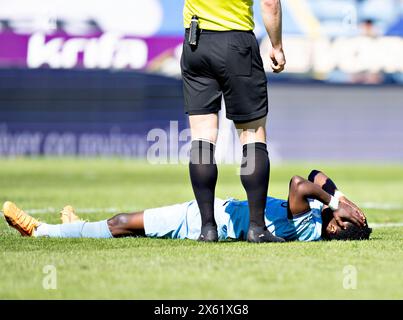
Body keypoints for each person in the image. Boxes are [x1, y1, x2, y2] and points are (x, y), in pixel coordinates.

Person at [2, 169, 370, 242]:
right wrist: (342, 201)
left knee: (120, 222)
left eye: (342, 218)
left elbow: (300, 182)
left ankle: (42, 230)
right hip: (211, 214)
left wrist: (337, 200)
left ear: (335, 226)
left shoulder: (306, 225)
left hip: (201, 223)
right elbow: (318, 174)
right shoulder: (317, 219)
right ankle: (78, 226)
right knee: (125, 225)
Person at [182, 0, 286, 242]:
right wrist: (277, 46)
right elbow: (270, 3)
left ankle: (207, 228)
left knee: (202, 137)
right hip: (237, 43)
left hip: (196, 43)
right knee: (252, 134)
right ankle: (257, 228)